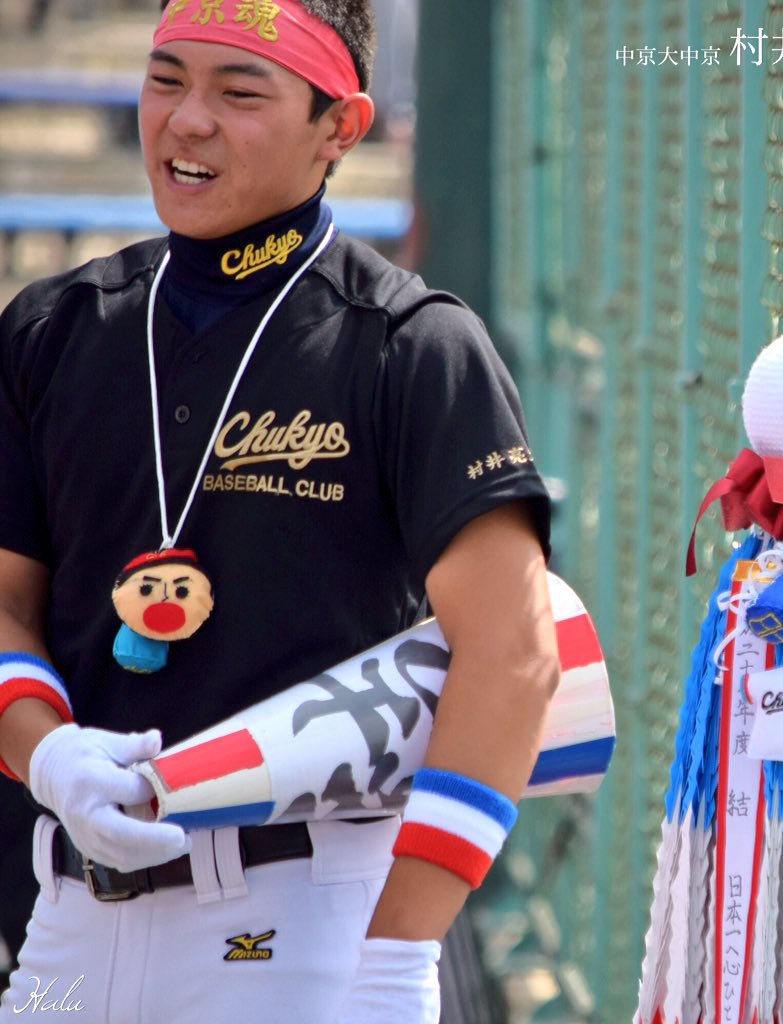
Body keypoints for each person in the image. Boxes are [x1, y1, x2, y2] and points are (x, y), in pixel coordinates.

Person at [0, 2, 558, 1022]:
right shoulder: (54, 327)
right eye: (166, 80)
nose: (186, 121)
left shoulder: (413, 345)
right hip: (71, 912)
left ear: (340, 127)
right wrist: (45, 750)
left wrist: (397, 957)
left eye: (238, 92)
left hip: (307, 920)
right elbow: (6, 606)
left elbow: (515, 654)